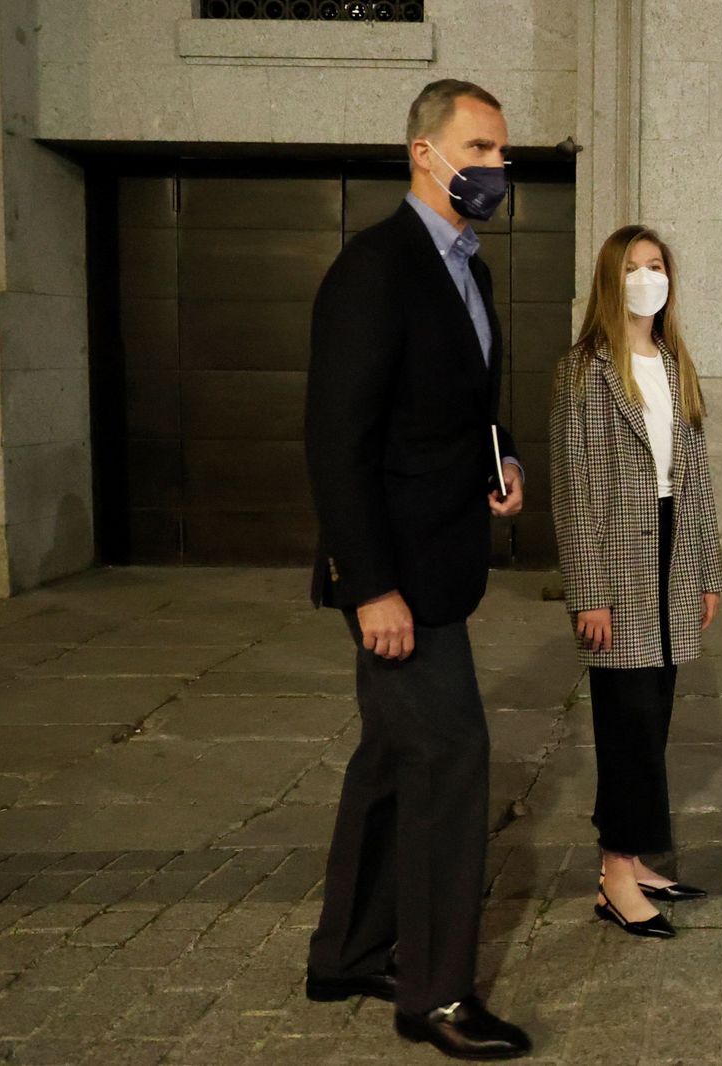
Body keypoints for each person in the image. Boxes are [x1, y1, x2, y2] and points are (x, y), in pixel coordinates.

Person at [302, 79, 530, 1061]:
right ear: (423, 153)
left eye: (502, 152)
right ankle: (436, 996)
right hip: (396, 577)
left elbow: (464, 404)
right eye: (477, 148)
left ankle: (348, 954)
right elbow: (336, 440)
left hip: (444, 557)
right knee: (449, 760)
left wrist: (502, 463)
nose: (495, 167)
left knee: (393, 761)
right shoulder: (375, 267)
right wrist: (369, 585)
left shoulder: (470, 270)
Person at [550, 225, 722, 939]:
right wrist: (588, 591)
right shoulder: (583, 369)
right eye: (633, 267)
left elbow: (697, 476)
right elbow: (572, 489)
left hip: (673, 548)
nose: (647, 277)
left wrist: (708, 571)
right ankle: (615, 877)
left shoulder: (676, 362)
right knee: (625, 722)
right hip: (617, 560)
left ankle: (631, 857)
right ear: (610, 279)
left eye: (656, 265)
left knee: (654, 716)